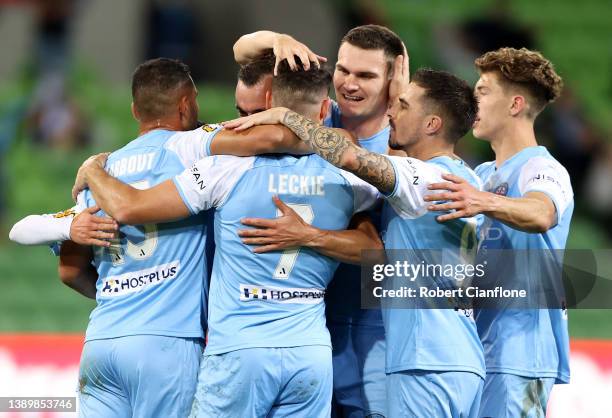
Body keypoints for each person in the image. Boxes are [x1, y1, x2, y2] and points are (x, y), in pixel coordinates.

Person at [70, 62, 382, 418]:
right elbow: (376, 253)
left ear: (267, 104)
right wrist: (312, 235)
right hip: (309, 351)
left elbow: (125, 210)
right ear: (325, 109)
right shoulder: (350, 174)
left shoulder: (220, 167)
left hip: (235, 350)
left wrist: (93, 168)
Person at [225, 67, 486, 417]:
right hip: (463, 358)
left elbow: (349, 156)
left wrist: (287, 116)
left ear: (432, 125)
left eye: (404, 106)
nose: (392, 112)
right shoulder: (467, 179)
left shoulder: (424, 177)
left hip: (426, 359)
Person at [233, 25, 404, 417]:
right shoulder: (317, 110)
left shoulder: (401, 142)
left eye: (366, 76)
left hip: (373, 324)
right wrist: (276, 40)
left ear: (392, 82)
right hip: (305, 322)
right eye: (343, 70)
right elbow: (244, 53)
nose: (349, 84)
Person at [424, 47, 573, 418]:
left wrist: (481, 201)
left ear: (515, 104)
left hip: (519, 354)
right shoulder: (486, 172)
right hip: (477, 348)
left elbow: (542, 213)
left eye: (484, 91)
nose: (474, 101)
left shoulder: (541, 167)